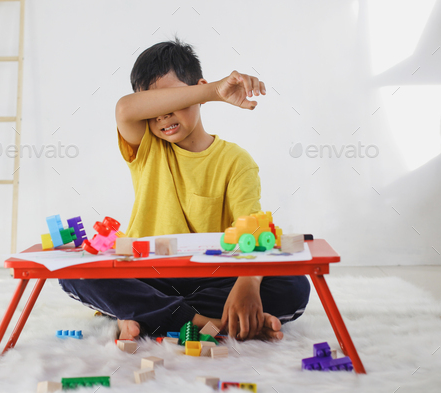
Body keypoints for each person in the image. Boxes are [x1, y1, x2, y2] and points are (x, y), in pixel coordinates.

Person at [59, 37, 310, 341]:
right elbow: (125, 108)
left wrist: (248, 283)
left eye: (173, 100)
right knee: (75, 270)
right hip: (150, 273)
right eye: (154, 105)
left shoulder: (236, 161)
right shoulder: (146, 146)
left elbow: (253, 233)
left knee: (294, 285)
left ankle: (146, 315)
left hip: (215, 276)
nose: (163, 114)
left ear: (196, 91)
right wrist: (215, 91)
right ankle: (205, 321)